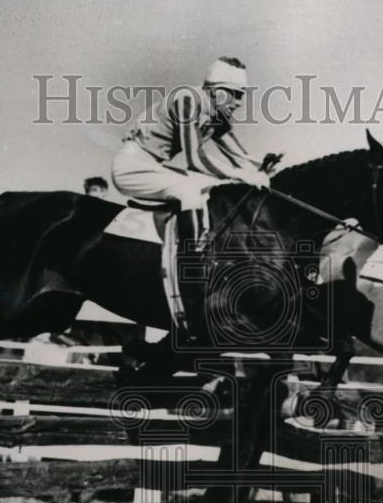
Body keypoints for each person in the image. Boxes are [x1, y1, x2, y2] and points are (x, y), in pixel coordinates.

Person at [111, 56, 272, 334]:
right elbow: (195, 160)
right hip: (132, 166)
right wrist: (244, 175)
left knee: (215, 189)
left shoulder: (215, 111)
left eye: (241, 95)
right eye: (234, 94)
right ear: (215, 89)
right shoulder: (187, 99)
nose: (238, 102)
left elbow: (241, 156)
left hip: (153, 165)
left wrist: (261, 166)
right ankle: (193, 266)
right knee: (190, 190)